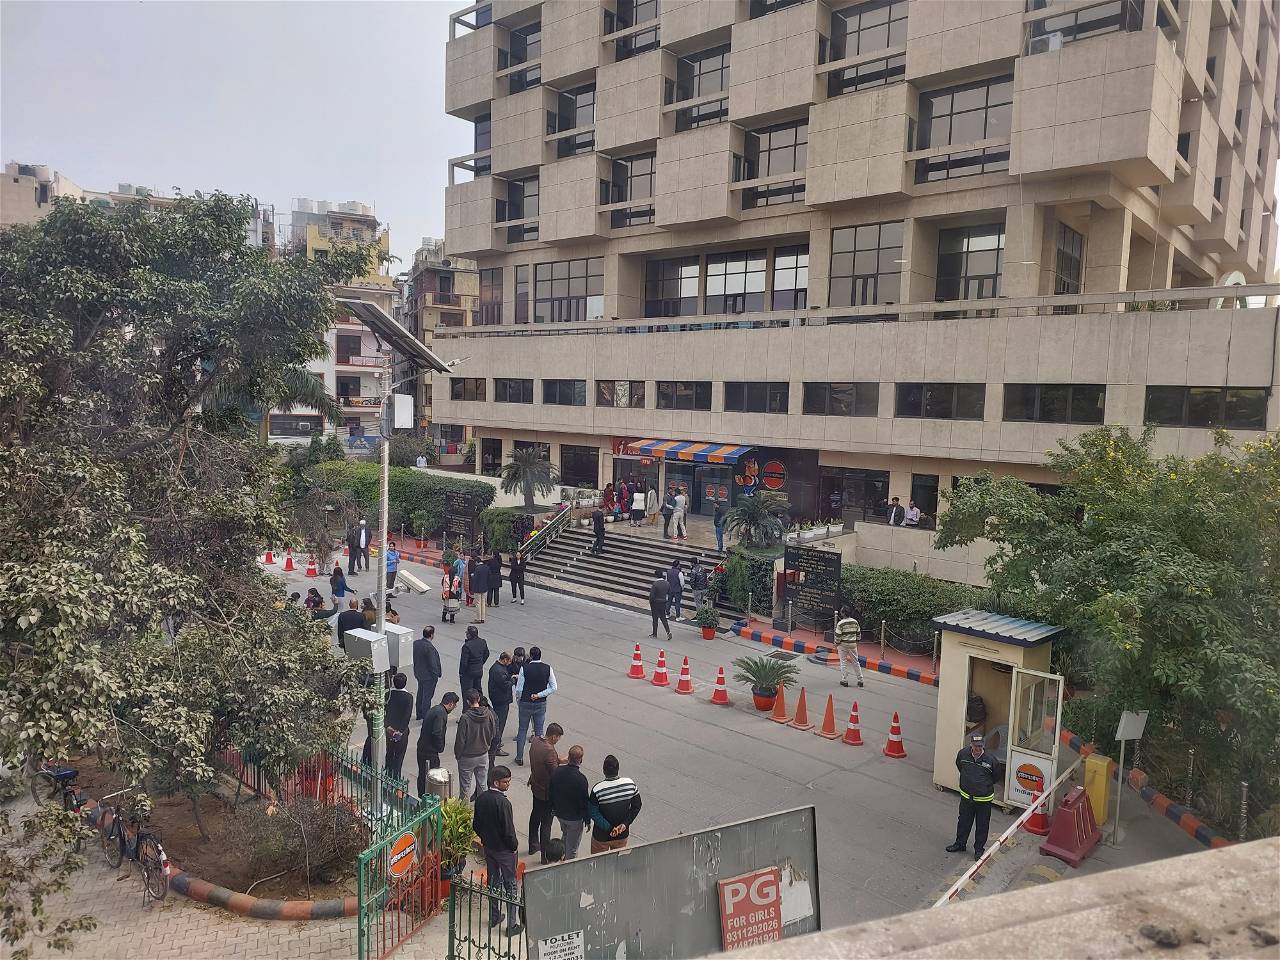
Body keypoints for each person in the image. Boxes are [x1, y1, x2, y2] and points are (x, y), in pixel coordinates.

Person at [473, 765, 523, 936]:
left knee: (493, 883)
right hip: (504, 851)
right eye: (505, 782)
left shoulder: (481, 799)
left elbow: (476, 825)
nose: (508, 784)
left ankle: (494, 917)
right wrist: (514, 846)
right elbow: (508, 831)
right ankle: (512, 925)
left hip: (489, 848)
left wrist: (486, 839)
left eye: (508, 781)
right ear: (496, 782)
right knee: (510, 886)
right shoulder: (503, 803)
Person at [947, 734, 1006, 860]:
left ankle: (979, 849)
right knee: (963, 822)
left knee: (982, 825)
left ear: (983, 746)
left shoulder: (991, 760)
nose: (978, 748)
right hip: (966, 798)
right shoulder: (963, 754)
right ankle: (960, 844)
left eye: (980, 746)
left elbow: (996, 777)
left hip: (983, 801)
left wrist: (982, 786)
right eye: (976, 746)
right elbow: (959, 766)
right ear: (971, 745)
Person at [588, 755, 642, 854]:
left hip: (601, 837)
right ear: (618, 769)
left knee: (598, 864)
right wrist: (624, 824)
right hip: (622, 835)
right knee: (617, 863)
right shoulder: (630, 784)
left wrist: (610, 828)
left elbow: (593, 812)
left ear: (604, 770)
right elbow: (637, 806)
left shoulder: (597, 789)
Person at [513, 646, 556, 767]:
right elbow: (553, 687)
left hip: (525, 703)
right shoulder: (548, 668)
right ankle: (538, 759)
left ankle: (519, 757)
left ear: (530, 656)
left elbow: (519, 689)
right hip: (540, 703)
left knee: (522, 730)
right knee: (539, 732)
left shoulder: (524, 668)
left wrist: (519, 700)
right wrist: (539, 695)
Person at [528, 722, 564, 861]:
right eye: (558, 737)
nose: (558, 740)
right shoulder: (549, 749)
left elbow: (546, 762)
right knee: (546, 824)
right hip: (546, 793)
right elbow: (554, 773)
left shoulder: (536, 740)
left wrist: (559, 760)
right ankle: (545, 855)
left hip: (535, 786)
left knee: (535, 815)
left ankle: (532, 844)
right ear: (554, 736)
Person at [455, 688, 497, 806]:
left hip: (467, 756)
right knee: (482, 785)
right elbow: (493, 733)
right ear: (478, 698)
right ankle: (483, 809)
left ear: (467, 701)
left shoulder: (465, 718)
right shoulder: (488, 713)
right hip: (483, 754)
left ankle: (464, 814)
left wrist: (458, 755)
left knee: (465, 788)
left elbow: (460, 740)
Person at [549, 744, 588, 860]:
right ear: (580, 760)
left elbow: (551, 791)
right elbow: (584, 801)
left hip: (560, 814)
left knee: (565, 833)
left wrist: (554, 808)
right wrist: (587, 819)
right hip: (574, 818)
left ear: (568, 757)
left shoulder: (557, 772)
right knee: (573, 848)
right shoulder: (581, 779)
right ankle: (569, 864)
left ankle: (562, 850)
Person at [417, 692, 458, 797]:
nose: (455, 707)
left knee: (423, 774)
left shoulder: (436, 709)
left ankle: (422, 795)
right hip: (430, 751)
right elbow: (437, 732)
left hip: (423, 747)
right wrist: (439, 747)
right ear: (450, 704)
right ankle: (426, 797)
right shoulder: (441, 713)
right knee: (431, 776)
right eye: (455, 705)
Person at [383, 673, 414, 778]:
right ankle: (396, 776)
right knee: (399, 755)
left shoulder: (388, 694)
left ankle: (388, 773)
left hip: (389, 729)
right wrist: (400, 731)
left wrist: (387, 726)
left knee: (390, 752)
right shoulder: (408, 697)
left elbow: (384, 712)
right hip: (401, 731)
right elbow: (407, 716)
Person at [487, 652, 516, 758]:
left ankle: (496, 742)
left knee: (498, 722)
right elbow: (505, 684)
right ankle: (496, 747)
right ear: (505, 660)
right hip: (501, 699)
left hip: (498, 698)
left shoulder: (497, 668)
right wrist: (512, 680)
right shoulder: (498, 670)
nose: (509, 663)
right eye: (509, 661)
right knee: (500, 723)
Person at [413, 626, 443, 719]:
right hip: (429, 676)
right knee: (427, 697)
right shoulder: (429, 648)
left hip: (419, 673)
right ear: (431, 635)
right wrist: (436, 674)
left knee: (420, 694)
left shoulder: (416, 643)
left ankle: (419, 714)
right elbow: (433, 664)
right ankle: (426, 717)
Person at [834, 609, 866, 688]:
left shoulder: (840, 623)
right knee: (856, 662)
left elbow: (838, 636)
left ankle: (844, 680)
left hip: (843, 645)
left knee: (843, 662)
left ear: (844, 613)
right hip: (853, 645)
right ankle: (860, 680)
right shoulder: (855, 622)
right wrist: (856, 641)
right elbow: (858, 634)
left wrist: (836, 643)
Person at [459, 625, 489, 697]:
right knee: (478, 690)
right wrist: (481, 663)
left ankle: (468, 707)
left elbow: (464, 663)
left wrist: (461, 673)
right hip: (479, 671)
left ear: (469, 635)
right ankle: (480, 705)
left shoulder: (466, 646)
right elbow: (487, 654)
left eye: (467, 633)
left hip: (468, 673)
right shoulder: (483, 642)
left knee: (468, 693)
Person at [648, 568, 671, 640]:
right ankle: (668, 631)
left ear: (656, 576)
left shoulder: (655, 584)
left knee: (655, 618)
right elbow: (669, 593)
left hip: (655, 603)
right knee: (663, 617)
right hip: (663, 602)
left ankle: (654, 634)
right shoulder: (667, 583)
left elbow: (651, 596)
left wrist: (650, 602)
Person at [469, 554, 489, 623]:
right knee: (483, 602)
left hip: (477, 588)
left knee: (478, 603)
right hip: (484, 587)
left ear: (476, 562)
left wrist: (472, 575)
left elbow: (475, 578)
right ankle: (483, 618)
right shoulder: (486, 567)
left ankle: (478, 618)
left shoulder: (477, 569)